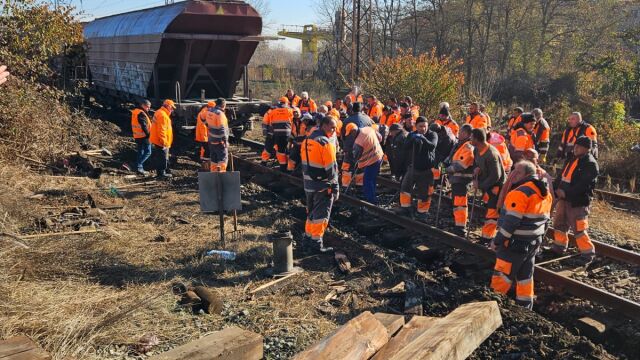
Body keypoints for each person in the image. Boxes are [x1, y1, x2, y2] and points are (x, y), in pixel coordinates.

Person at [490, 160, 553, 309]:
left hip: (514, 244)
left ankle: (490, 305)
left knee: (502, 277)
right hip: (532, 243)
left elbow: (510, 223)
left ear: (523, 174)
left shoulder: (520, 192)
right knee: (525, 278)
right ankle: (525, 308)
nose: (512, 175)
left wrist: (497, 241)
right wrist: (539, 240)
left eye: (516, 171)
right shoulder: (545, 193)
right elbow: (546, 220)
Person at [552, 136, 599, 263]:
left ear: (587, 148)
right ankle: (559, 247)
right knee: (560, 223)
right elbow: (561, 177)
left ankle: (588, 254)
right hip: (563, 198)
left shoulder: (590, 164)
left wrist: (565, 193)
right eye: (575, 145)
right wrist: (555, 189)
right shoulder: (571, 159)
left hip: (577, 201)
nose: (575, 148)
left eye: (579, 146)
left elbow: (582, 185)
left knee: (579, 229)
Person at [301, 116, 340, 254]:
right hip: (322, 186)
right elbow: (332, 168)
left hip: (308, 185)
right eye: (332, 127)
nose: (334, 130)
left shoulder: (306, 140)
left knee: (311, 213)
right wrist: (335, 188)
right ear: (323, 126)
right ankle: (316, 244)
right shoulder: (325, 143)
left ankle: (307, 238)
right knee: (321, 215)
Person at [397, 117, 438, 221]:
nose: (423, 128)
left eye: (425, 126)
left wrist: (423, 139)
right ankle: (405, 207)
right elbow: (405, 146)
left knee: (424, 193)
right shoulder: (412, 134)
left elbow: (432, 146)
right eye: (420, 126)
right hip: (413, 167)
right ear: (416, 126)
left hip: (427, 170)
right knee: (405, 187)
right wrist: (412, 139)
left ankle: (422, 212)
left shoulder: (432, 134)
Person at [471, 128, 506, 243]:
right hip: (487, 184)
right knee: (488, 208)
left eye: (471, 137)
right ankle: (487, 235)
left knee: (492, 211)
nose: (470, 139)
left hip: (497, 186)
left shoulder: (491, 154)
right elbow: (477, 163)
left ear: (476, 139)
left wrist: (480, 185)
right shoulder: (476, 150)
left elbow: (496, 176)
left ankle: (487, 237)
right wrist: (477, 170)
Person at [445, 124, 475, 235]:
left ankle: (461, 227)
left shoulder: (468, 146)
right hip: (456, 179)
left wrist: (447, 169)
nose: (459, 133)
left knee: (460, 204)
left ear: (467, 134)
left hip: (462, 180)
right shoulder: (459, 144)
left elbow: (461, 165)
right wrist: (443, 165)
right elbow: (450, 157)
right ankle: (458, 224)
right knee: (457, 203)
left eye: (461, 132)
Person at [340, 102, 373, 187]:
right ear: (361, 109)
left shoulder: (347, 120)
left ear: (352, 110)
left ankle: (345, 185)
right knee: (361, 167)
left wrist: (344, 146)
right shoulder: (367, 119)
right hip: (363, 148)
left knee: (347, 167)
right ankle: (359, 185)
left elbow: (342, 135)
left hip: (350, 148)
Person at [352, 125, 384, 204]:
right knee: (372, 178)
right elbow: (380, 138)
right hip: (379, 155)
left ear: (353, 131)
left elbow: (356, 156)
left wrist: (357, 164)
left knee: (367, 180)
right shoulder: (368, 128)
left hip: (371, 161)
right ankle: (372, 196)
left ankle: (370, 200)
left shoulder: (358, 142)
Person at [150, 99, 176, 179]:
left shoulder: (159, 112)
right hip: (161, 141)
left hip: (157, 139)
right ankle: (162, 174)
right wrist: (164, 142)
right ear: (168, 106)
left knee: (160, 157)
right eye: (171, 108)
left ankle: (161, 172)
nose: (172, 110)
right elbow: (162, 130)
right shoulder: (163, 115)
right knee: (163, 157)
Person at [269, 97, 295, 172]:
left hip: (277, 134)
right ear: (286, 103)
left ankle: (283, 167)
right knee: (287, 150)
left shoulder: (273, 111)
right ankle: (289, 167)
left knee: (280, 150)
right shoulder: (290, 110)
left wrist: (271, 134)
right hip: (287, 134)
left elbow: (271, 124)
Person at [430, 122, 456, 191]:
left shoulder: (447, 138)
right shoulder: (443, 131)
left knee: (442, 170)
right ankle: (437, 183)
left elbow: (444, 154)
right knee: (438, 168)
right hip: (443, 155)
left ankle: (443, 186)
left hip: (447, 157)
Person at [206, 98, 229, 172]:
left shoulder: (209, 111)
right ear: (223, 105)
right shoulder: (220, 114)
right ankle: (221, 176)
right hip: (219, 142)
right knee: (222, 160)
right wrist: (225, 141)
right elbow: (222, 129)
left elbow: (204, 120)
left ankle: (214, 175)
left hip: (211, 141)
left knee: (214, 160)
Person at [131, 99, 153, 175]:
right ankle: (138, 165)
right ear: (143, 105)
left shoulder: (136, 111)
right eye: (148, 107)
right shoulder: (141, 113)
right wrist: (149, 135)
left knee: (140, 152)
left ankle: (139, 168)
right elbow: (144, 126)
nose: (149, 108)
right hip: (144, 136)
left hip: (137, 135)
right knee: (148, 152)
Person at [195, 101, 215, 170]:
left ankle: (204, 165)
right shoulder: (205, 112)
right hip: (204, 136)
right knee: (207, 150)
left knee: (205, 150)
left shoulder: (204, 111)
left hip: (204, 135)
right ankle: (206, 166)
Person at [287, 107, 304, 172]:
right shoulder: (292, 121)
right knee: (291, 158)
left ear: (300, 112)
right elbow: (292, 133)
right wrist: (290, 144)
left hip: (304, 145)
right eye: (294, 112)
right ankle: (290, 172)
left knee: (303, 160)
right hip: (296, 144)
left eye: (297, 112)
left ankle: (301, 173)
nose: (295, 114)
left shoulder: (305, 121)